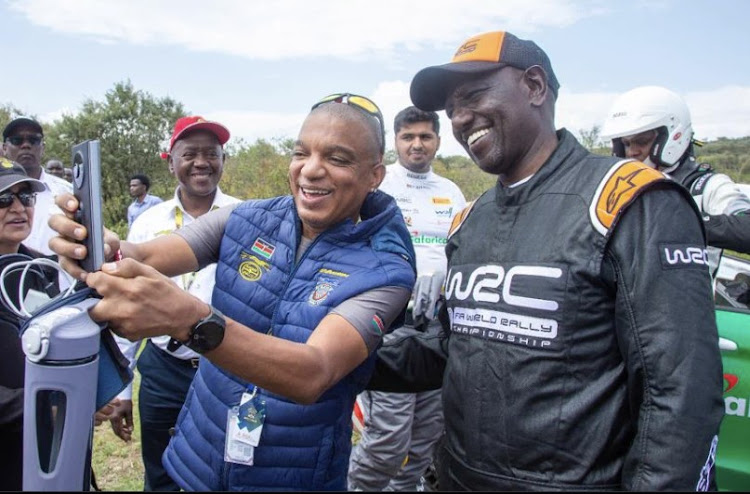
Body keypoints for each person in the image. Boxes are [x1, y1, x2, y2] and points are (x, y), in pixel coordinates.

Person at [368, 30, 725, 490]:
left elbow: (681, 393)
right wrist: (335, 354)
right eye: (451, 108)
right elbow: (448, 348)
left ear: (535, 87)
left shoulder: (630, 201)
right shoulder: (470, 219)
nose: (459, 118)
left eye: (473, 95)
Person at [48, 93, 416, 491]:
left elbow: (314, 372)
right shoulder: (245, 218)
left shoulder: (385, 270)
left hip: (293, 474)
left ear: (374, 176)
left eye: (338, 159)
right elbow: (146, 254)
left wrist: (188, 320)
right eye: (300, 153)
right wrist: (97, 245)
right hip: (200, 455)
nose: (311, 170)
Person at [107, 117, 240, 491]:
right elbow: (127, 303)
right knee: (161, 470)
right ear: (171, 162)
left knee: (225, 467)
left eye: (211, 154)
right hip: (163, 369)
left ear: (223, 160)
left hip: (227, 367)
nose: (202, 162)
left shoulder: (249, 217)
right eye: (190, 153)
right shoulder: (148, 224)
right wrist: (119, 391)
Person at [348, 106, 465, 491]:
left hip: (437, 327)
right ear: (395, 141)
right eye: (408, 136)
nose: (417, 144)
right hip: (390, 324)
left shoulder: (451, 192)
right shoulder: (377, 188)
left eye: (425, 137)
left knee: (426, 436)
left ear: (437, 141)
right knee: (387, 441)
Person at [601, 85, 750, 275]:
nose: (632, 152)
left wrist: (681, 220)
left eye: (642, 141)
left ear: (673, 136)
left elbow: (746, 227)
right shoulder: (617, 190)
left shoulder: (707, 187)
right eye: (626, 143)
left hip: (686, 300)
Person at [0, 158, 59, 491]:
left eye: (27, 197)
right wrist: (42, 403)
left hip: (50, 443)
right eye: (4, 199)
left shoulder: (40, 268)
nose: (19, 207)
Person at [2, 117, 72, 255]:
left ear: (43, 147)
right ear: (4, 148)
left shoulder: (69, 193)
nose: (26, 145)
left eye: (26, 196)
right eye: (4, 198)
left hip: (54, 274)